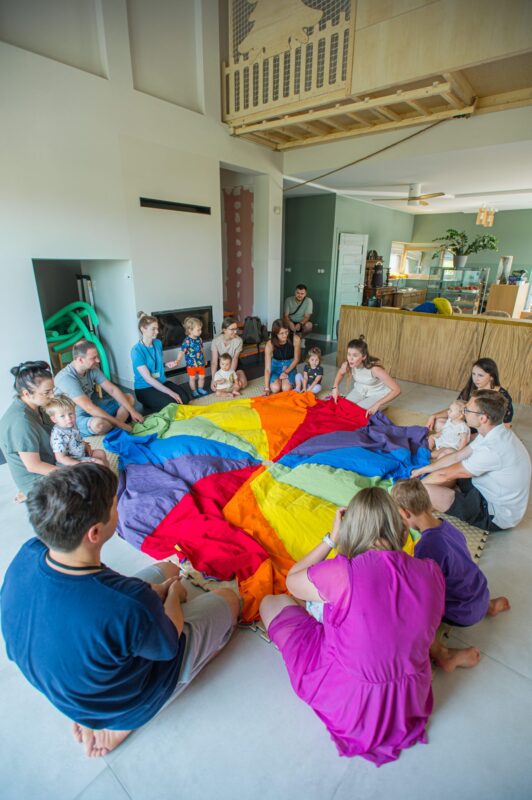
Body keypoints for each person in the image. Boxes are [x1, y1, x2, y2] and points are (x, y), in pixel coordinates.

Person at [0, 464, 240, 758]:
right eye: (115, 505)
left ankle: (89, 711)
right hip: (123, 700)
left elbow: (110, 598)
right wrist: (174, 595)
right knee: (229, 600)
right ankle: (123, 721)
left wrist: (157, 591)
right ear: (95, 532)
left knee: (167, 569)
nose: (119, 507)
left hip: (67, 687)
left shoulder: (29, 552)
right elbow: (168, 643)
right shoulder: (128, 603)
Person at [259, 488, 445, 765]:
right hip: (409, 703)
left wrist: (330, 539)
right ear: (399, 525)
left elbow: (292, 581)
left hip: (352, 706)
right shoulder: (431, 571)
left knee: (271, 603)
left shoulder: (342, 572)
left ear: (351, 528)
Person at [391, 478, 510, 670]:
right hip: (481, 592)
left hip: (463, 612)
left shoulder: (426, 547)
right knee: (461, 573)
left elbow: (424, 593)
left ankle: (444, 654)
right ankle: (489, 606)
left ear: (405, 513)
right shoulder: (447, 526)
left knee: (414, 609)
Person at [412, 390, 531, 531]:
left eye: (467, 410)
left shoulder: (491, 449)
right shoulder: (492, 432)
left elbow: (444, 474)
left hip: (494, 513)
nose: (464, 412)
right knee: (450, 455)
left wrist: (411, 488)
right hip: (484, 487)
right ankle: (441, 495)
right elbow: (457, 456)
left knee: (424, 490)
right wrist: (423, 469)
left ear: (483, 418)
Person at [55, 340, 144, 436]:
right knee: (100, 425)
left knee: (129, 398)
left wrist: (132, 411)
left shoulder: (92, 369)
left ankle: (114, 428)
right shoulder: (66, 378)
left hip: (92, 407)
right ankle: (115, 425)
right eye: (93, 358)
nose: (98, 360)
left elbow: (112, 390)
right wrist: (121, 424)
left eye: (97, 356)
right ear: (80, 360)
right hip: (74, 417)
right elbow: (89, 408)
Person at [0, 361, 57, 502]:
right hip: (36, 479)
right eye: (47, 392)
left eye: (52, 390)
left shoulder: (38, 405)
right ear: (26, 393)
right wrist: (72, 472)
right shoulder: (21, 421)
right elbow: (34, 466)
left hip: (52, 461)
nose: (52, 396)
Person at [427, 358, 514, 432]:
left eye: (480, 375)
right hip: (465, 423)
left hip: (483, 431)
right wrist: (434, 415)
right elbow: (457, 408)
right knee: (437, 422)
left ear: (491, 377)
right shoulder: (471, 387)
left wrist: (472, 437)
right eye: (473, 374)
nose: (475, 379)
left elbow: (506, 425)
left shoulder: (502, 396)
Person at [131, 312, 189, 412]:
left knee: (184, 399)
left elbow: (153, 365)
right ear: (143, 329)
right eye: (153, 329)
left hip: (161, 382)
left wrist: (165, 365)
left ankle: (157, 401)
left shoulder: (158, 343)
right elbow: (148, 378)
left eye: (157, 328)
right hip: (145, 388)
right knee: (172, 405)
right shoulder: (136, 351)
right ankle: (148, 404)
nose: (157, 332)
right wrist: (171, 392)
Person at [331, 335, 400, 416]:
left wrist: (378, 404)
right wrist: (335, 388)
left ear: (364, 356)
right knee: (344, 407)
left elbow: (397, 390)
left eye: (355, 355)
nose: (350, 358)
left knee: (357, 412)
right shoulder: (348, 364)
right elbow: (340, 373)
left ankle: (382, 406)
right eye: (349, 354)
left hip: (378, 394)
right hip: (360, 390)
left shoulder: (375, 369)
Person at [44, 394, 108, 467]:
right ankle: (102, 473)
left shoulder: (71, 424)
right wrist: (80, 464)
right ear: (54, 419)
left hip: (80, 455)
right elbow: (60, 458)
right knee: (100, 463)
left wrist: (85, 444)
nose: (68, 418)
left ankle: (107, 473)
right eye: (62, 416)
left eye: (70, 413)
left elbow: (75, 438)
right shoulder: (58, 436)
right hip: (70, 464)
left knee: (100, 453)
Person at [263, 319, 301, 395]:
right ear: (275, 334)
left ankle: (285, 381)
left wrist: (286, 372)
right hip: (275, 366)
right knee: (275, 388)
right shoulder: (270, 344)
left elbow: (297, 359)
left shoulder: (296, 339)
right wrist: (266, 388)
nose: (285, 335)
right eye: (281, 333)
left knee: (286, 388)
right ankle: (279, 381)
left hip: (289, 366)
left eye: (286, 332)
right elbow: (267, 369)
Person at [173, 316, 208, 398]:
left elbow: (202, 350)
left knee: (202, 377)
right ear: (190, 330)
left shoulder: (199, 339)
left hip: (200, 363)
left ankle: (200, 388)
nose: (200, 331)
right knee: (192, 378)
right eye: (198, 330)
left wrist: (205, 359)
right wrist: (178, 360)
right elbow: (182, 351)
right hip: (191, 365)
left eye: (201, 329)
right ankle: (194, 391)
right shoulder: (187, 341)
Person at [211, 317, 248, 390]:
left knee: (243, 384)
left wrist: (230, 375)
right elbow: (214, 362)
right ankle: (230, 387)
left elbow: (235, 359)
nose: (235, 332)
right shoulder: (215, 341)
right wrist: (213, 379)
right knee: (214, 388)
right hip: (222, 364)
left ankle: (230, 386)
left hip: (234, 364)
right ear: (224, 330)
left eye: (236, 329)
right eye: (232, 329)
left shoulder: (239, 340)